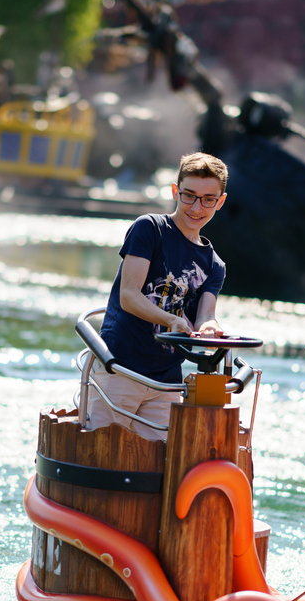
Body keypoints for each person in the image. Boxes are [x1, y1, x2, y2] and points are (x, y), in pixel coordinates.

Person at [85, 152, 228, 441]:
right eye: (189, 195)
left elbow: (205, 316)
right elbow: (128, 296)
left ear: (220, 202)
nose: (197, 207)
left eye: (208, 199)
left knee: (158, 464)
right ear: (175, 191)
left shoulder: (215, 265)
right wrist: (170, 320)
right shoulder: (149, 229)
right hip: (120, 366)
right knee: (99, 450)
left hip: (166, 380)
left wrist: (209, 329)